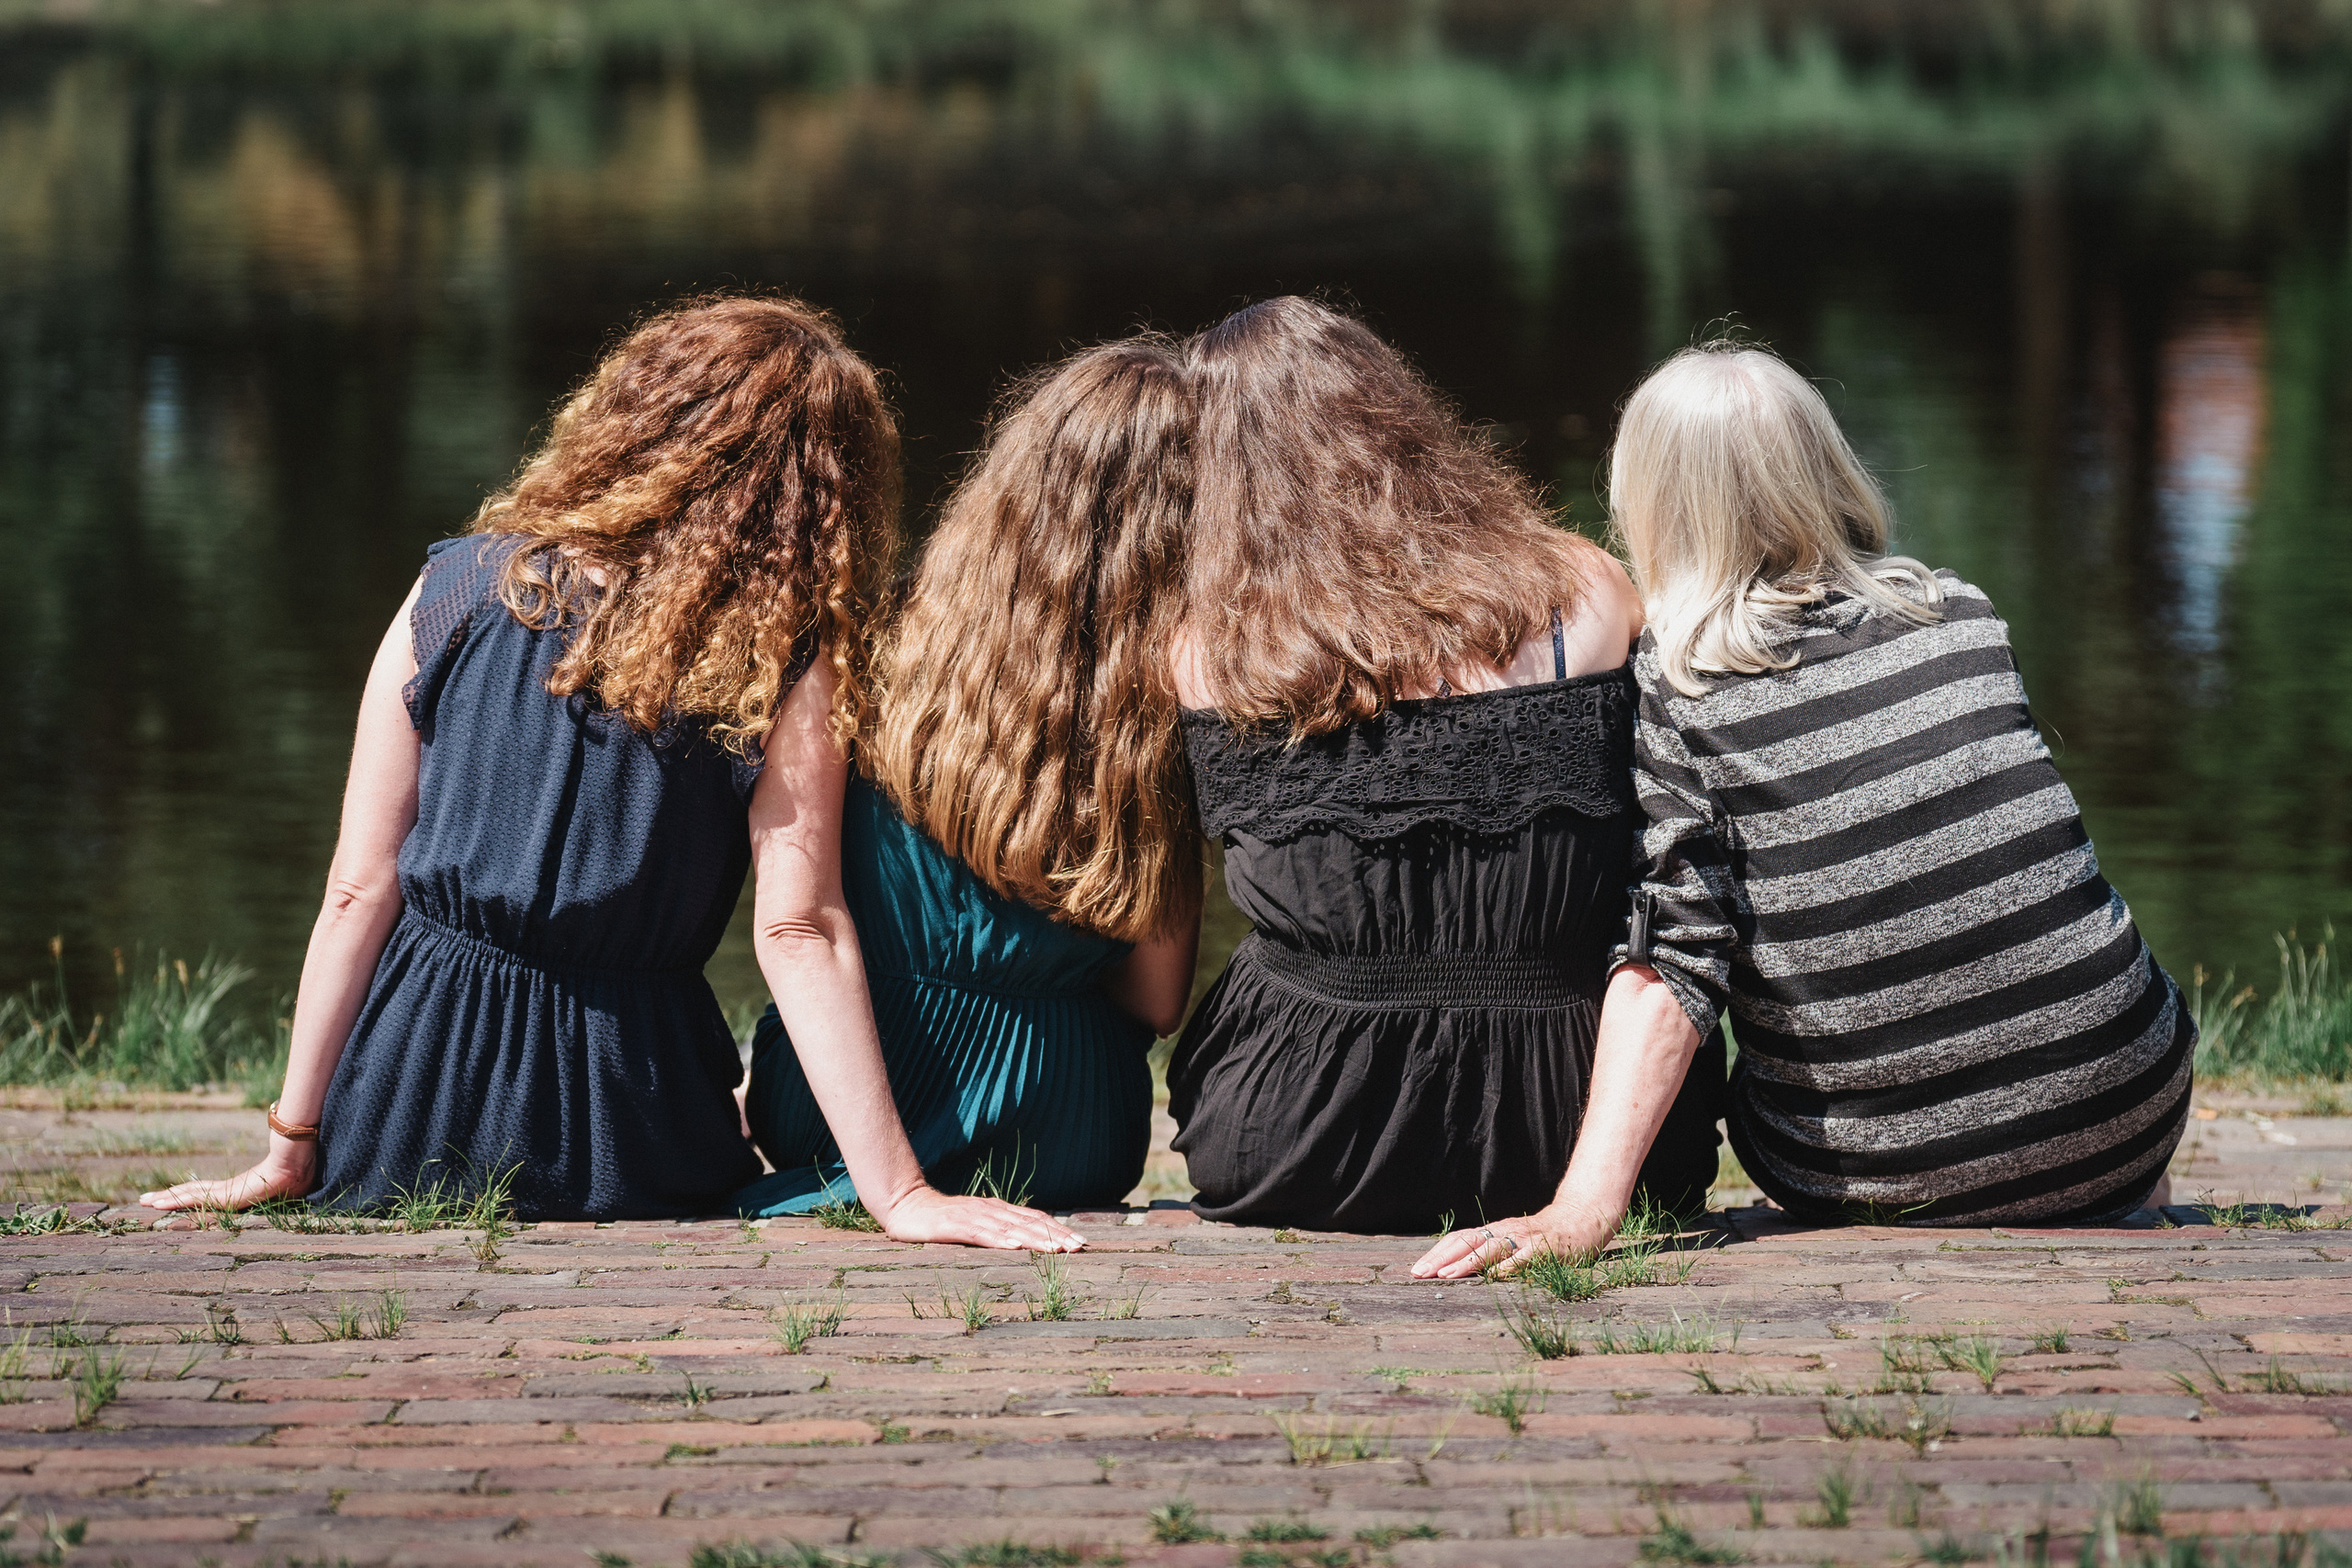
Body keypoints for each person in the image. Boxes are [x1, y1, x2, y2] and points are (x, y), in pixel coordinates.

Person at [141, 296, 1083, 1248]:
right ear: (821, 490)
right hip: (633, 1125)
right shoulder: (784, 657)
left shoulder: (456, 584)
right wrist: (903, 1196)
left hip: (403, 1111)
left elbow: (357, 889)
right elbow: (797, 928)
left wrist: (292, 1145)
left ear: (629, 418)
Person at [1429, 340, 2188, 1263]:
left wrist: (1579, 1209)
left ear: (1653, 503)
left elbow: (1677, 958)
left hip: (1883, 1171)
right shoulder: (1957, 616)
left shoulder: (1677, 693)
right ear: (1822, 470)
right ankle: (2105, 1183)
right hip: (2133, 1102)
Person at [1167, 296, 1724, 1240]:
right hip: (1570, 1122)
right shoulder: (1581, 592)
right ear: (1401, 416)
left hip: (1298, 1137)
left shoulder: (1207, 652)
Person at [736, 337, 1204, 1218]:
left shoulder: (862, 642)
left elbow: (799, 912)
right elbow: (1158, 997)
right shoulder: (1156, 716)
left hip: (838, 1104)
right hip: (1065, 1133)